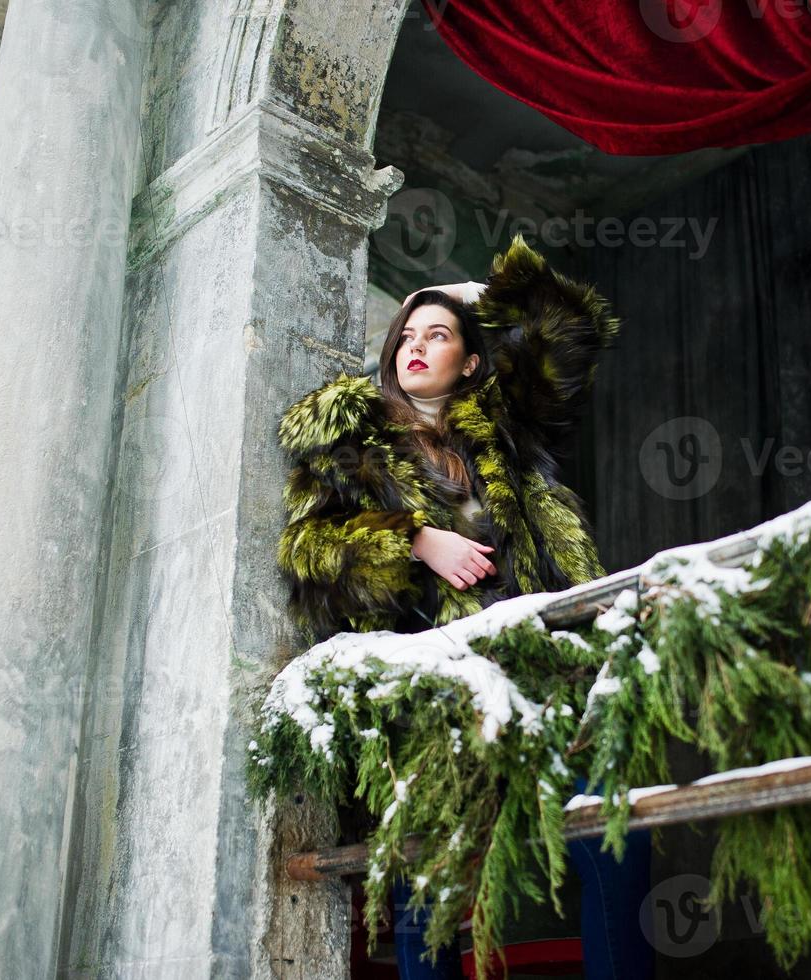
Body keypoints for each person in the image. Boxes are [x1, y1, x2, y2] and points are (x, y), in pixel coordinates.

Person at [275, 235, 653, 978]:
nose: (414, 347)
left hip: (540, 673)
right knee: (430, 884)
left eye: (437, 335)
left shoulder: (506, 429)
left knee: (613, 831)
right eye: (405, 336)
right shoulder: (350, 448)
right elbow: (306, 551)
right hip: (431, 691)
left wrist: (480, 294)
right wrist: (414, 539)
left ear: (471, 360)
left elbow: (572, 333)